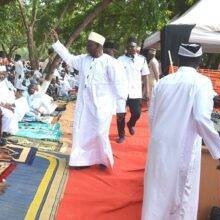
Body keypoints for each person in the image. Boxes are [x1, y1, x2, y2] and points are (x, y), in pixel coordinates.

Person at [142, 43, 220, 219]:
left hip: (159, 145)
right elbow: (202, 118)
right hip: (183, 148)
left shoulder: (163, 82)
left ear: (179, 60)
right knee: (181, 197)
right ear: (200, 61)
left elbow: (152, 116)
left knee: (157, 192)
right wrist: (219, 151)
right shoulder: (202, 82)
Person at [51, 30, 126, 169]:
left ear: (98, 46)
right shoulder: (83, 59)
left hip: (102, 106)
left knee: (99, 133)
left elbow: (119, 87)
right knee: (81, 132)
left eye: (90, 45)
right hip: (84, 105)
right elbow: (69, 58)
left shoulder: (111, 63)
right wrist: (57, 43)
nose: (87, 48)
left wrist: (120, 108)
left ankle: (103, 160)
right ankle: (82, 161)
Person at [117, 38, 149, 142]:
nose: (131, 48)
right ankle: (121, 135)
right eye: (129, 46)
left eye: (133, 46)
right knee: (120, 114)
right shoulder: (120, 60)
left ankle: (131, 124)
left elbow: (145, 76)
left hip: (135, 92)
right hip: (121, 91)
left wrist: (147, 91)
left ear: (136, 48)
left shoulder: (142, 59)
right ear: (127, 47)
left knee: (137, 113)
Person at [103, 41, 128, 143]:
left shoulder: (118, 63)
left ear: (113, 51)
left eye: (108, 50)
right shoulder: (101, 61)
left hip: (119, 93)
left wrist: (123, 95)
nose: (106, 52)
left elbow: (123, 80)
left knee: (120, 115)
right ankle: (103, 136)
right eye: (105, 50)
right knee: (104, 116)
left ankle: (121, 135)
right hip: (105, 94)